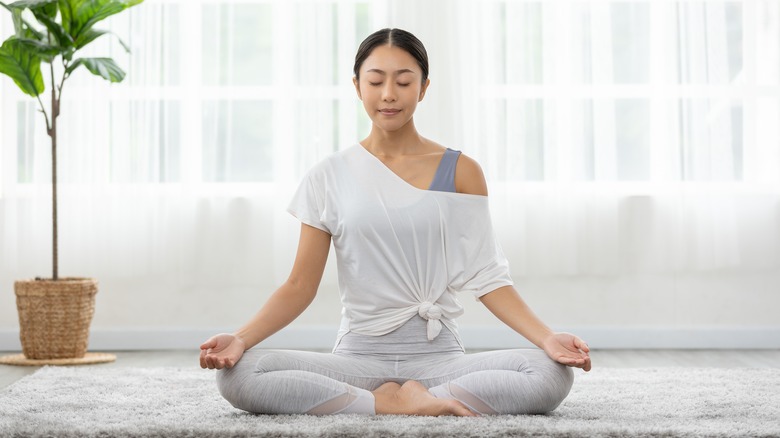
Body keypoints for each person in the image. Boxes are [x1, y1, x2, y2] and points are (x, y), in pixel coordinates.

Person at [200, 28, 591, 417]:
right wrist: (239, 339)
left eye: (404, 82)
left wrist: (547, 337)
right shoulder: (328, 175)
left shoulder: (460, 171)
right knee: (242, 374)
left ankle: (402, 399)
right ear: (357, 86)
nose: (389, 94)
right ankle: (386, 401)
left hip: (439, 362)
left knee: (547, 373)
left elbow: (488, 277)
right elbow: (300, 285)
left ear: (423, 88)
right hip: (358, 360)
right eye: (375, 81)